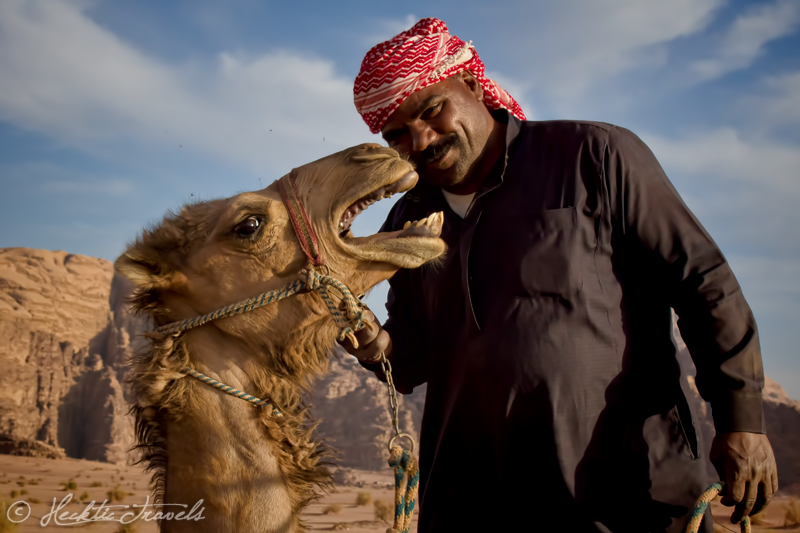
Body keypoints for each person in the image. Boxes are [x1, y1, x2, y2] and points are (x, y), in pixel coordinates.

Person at [342, 17, 778, 532]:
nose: (420, 139)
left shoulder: (594, 157)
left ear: (473, 85)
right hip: (472, 505)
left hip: (622, 498)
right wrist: (371, 342)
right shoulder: (407, 222)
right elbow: (413, 359)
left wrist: (741, 418)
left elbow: (703, 280)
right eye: (397, 134)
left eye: (431, 110)